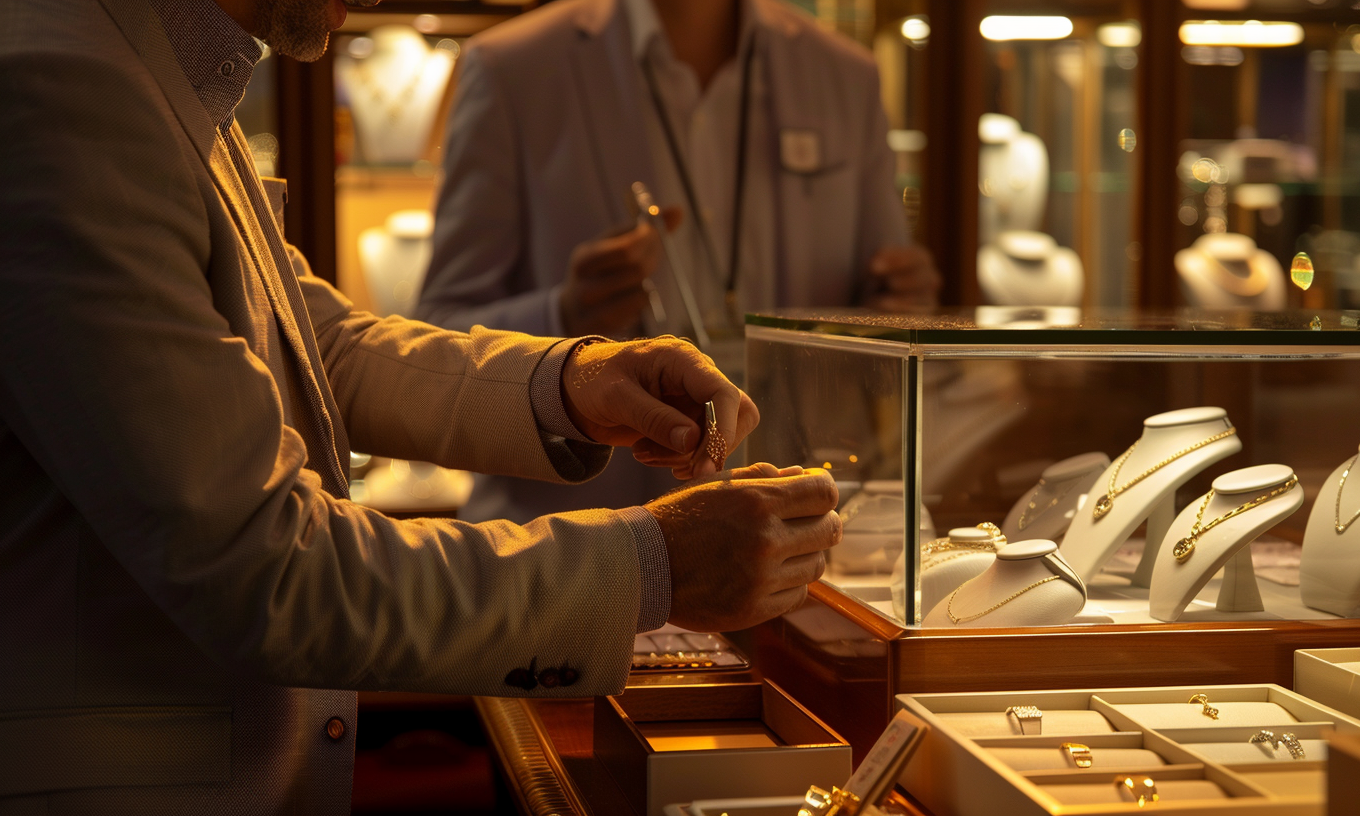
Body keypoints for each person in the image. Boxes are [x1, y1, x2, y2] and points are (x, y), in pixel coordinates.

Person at [0, 0, 842, 811]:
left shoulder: (156, 65)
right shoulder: (65, 85)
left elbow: (313, 340)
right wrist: (652, 567)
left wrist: (573, 381)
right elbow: (266, 567)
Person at [417, 0, 941, 524]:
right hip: (569, 553)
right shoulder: (514, 68)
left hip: (800, 534)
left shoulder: (844, 74)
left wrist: (899, 306)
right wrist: (564, 319)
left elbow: (887, 308)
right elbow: (436, 338)